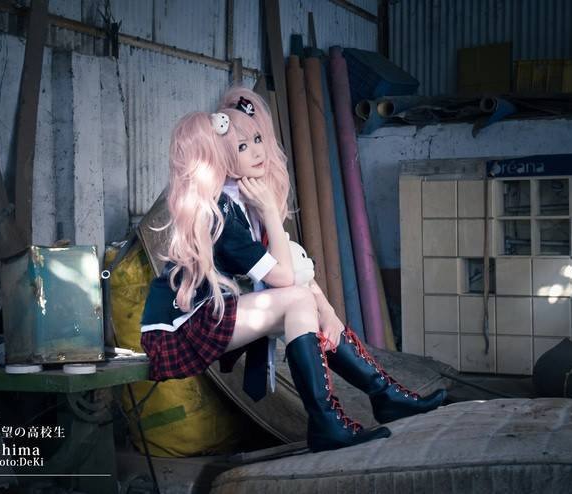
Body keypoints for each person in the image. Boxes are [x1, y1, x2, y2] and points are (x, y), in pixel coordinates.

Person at [140, 87, 446, 452]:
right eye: (242, 146)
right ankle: (332, 421)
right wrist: (270, 210)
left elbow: (293, 268)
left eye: (257, 139)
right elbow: (284, 279)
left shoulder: (243, 198)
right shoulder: (221, 210)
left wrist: (327, 312)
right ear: (220, 156)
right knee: (297, 300)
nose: (257, 152)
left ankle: (382, 396)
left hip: (210, 314)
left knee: (303, 300)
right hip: (178, 329)